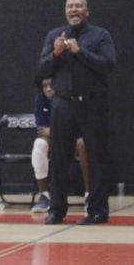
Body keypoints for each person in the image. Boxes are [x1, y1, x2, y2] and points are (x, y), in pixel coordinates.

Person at [37, 0, 115, 225]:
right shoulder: (54, 36)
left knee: (97, 157)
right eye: (70, 6)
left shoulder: (100, 35)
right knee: (59, 158)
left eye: (79, 6)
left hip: (93, 104)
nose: (74, 10)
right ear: (65, 11)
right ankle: (56, 210)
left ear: (87, 11)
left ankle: (98, 211)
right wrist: (56, 53)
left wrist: (80, 52)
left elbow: (108, 65)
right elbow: (41, 69)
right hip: (62, 103)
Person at [31, 77, 90, 213]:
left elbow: (79, 129)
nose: (48, 89)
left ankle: (89, 195)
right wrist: (58, 132)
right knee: (39, 144)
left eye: (51, 85)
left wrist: (54, 130)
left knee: (82, 144)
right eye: (44, 86)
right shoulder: (41, 99)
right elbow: (41, 131)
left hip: (73, 140)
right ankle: (44, 196)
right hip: (55, 140)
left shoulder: (70, 97)